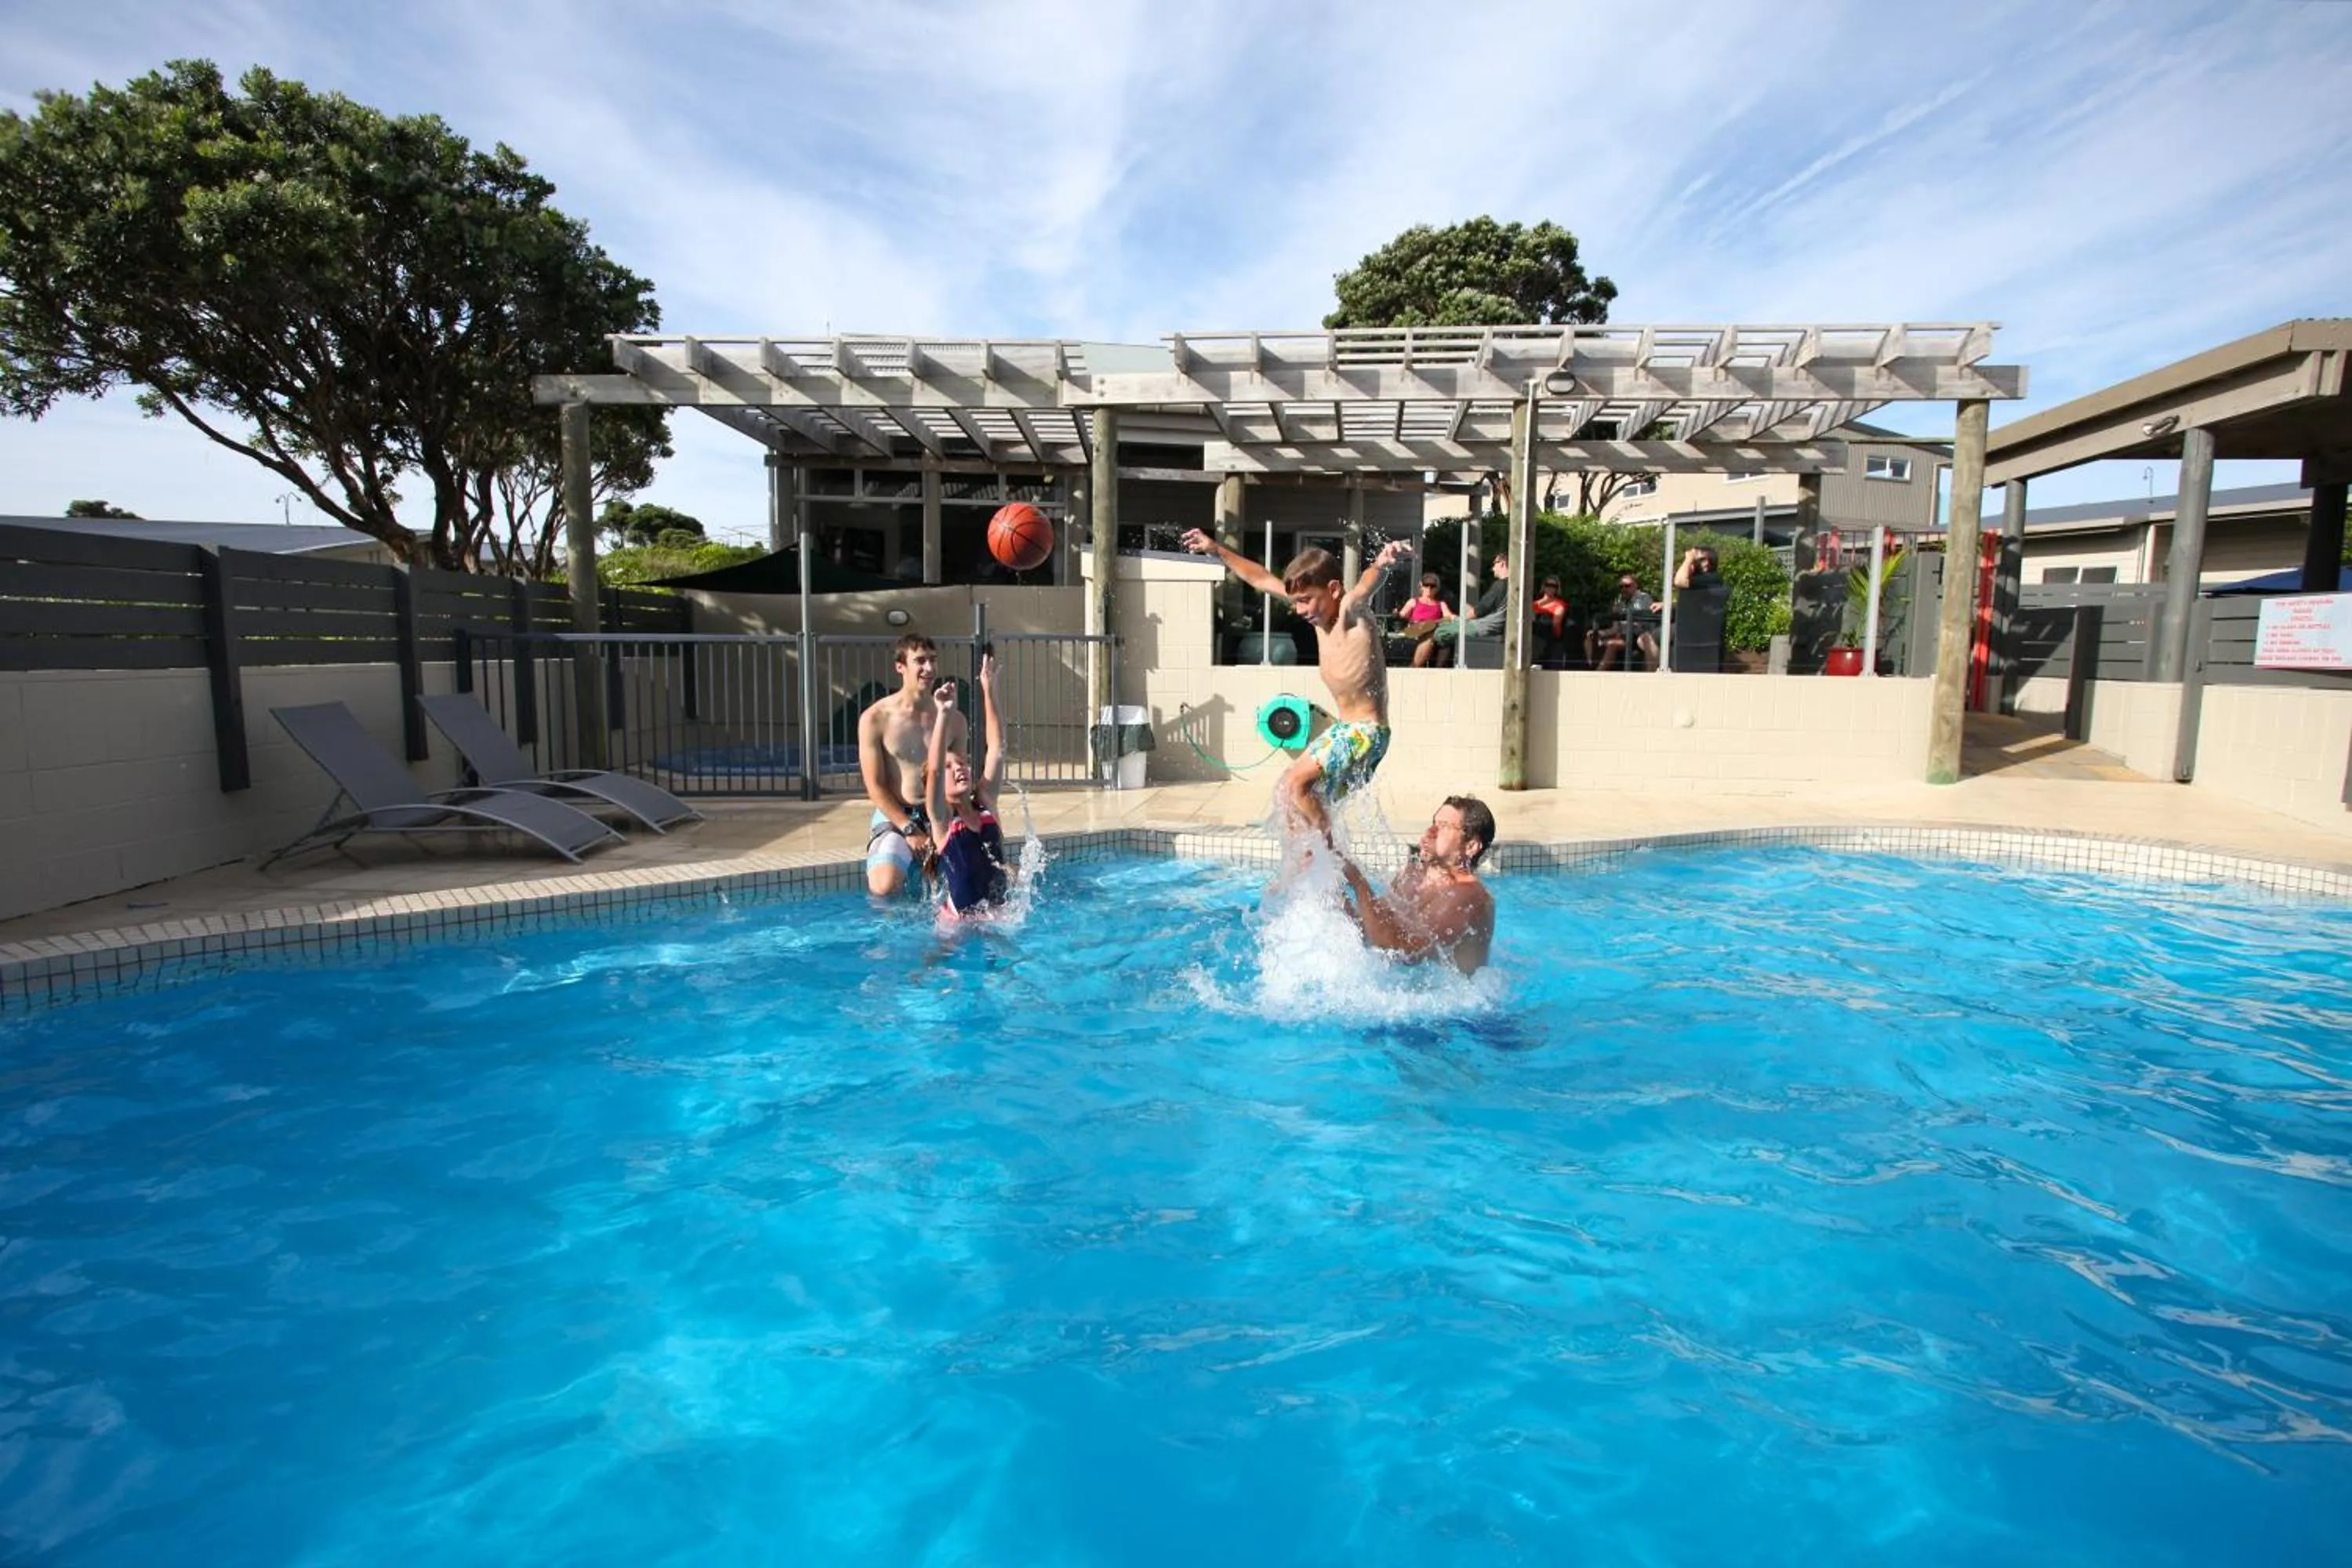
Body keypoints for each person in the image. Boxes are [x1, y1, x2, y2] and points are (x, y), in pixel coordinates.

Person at [1180, 528, 1409, 843]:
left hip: (1365, 733)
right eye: (1296, 602)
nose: (1299, 610)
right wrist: (1217, 550)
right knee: (1288, 798)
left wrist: (1381, 564)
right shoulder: (1319, 617)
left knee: (1294, 785)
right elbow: (1260, 578)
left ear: (1333, 589)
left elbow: (1365, 585)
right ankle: (1313, 865)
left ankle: (1331, 856)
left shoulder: (1349, 611)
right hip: (1346, 731)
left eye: (1305, 601)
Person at [1335, 796, 1497, 976]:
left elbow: (1402, 951)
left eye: (1444, 826)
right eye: (1434, 823)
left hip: (1449, 992)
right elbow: (1367, 927)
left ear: (1471, 847)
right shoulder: (1413, 874)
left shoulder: (1470, 897)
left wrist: (1358, 882)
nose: (1430, 832)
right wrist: (1333, 885)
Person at [858, 632, 964, 896]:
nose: (929, 668)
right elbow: (875, 786)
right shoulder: (875, 718)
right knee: (883, 888)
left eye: (933, 660)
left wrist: (946, 826)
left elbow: (958, 780)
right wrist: (909, 828)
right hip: (896, 815)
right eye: (920, 661)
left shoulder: (953, 720)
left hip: (941, 813)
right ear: (900, 666)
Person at [923, 655, 1011, 916]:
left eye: (961, 763)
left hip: (998, 916)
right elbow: (934, 770)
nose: (959, 768)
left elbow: (997, 748)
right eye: (950, 767)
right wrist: (943, 714)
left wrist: (989, 689)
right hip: (957, 924)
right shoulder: (943, 820)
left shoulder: (985, 801)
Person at [1430, 552, 1508, 664]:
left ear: (1502, 564)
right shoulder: (1514, 585)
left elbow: (1480, 610)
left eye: (1494, 564)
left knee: (1441, 631)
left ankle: (1426, 667)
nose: (1493, 568)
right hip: (1495, 626)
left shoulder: (1500, 585)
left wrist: (1461, 620)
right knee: (1447, 630)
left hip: (1486, 626)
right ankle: (1441, 665)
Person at [1587, 573, 1659, 671]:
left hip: (1638, 634)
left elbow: (1641, 620)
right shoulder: (1620, 602)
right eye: (1621, 587)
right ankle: (1590, 666)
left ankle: (1598, 672)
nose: (1624, 589)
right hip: (1623, 635)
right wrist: (1598, 632)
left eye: (1627, 586)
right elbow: (1615, 628)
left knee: (1612, 644)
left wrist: (1624, 618)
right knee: (1590, 637)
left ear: (1636, 586)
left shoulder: (1643, 598)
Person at [1396, 572, 1454, 667]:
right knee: (1429, 633)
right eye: (1426, 585)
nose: (1429, 589)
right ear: (1421, 586)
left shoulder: (1441, 604)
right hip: (1416, 629)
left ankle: (1438, 669)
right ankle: (1415, 666)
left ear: (1437, 588)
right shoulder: (1414, 601)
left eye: (1432, 586)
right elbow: (1402, 615)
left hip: (1432, 630)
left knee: (1442, 636)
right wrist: (1397, 614)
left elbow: (1449, 617)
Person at [1532, 575, 1571, 666]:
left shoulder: (1559, 604)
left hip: (1549, 637)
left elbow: (1556, 624)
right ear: (1543, 586)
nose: (1550, 588)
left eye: (1554, 586)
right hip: (1534, 636)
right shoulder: (1534, 604)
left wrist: (1555, 637)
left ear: (1557, 589)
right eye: (1548, 585)